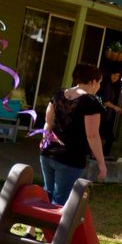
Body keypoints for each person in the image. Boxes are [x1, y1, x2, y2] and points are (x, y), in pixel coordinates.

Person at [40, 62, 107, 206]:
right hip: (71, 159)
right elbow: (92, 136)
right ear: (93, 82)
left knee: (46, 193)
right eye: (100, 82)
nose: (99, 86)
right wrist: (102, 164)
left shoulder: (58, 95)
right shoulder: (91, 102)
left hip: (48, 153)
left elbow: (48, 122)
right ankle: (52, 229)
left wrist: (44, 142)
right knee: (60, 201)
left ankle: (31, 228)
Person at [99, 70, 122, 156]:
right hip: (103, 116)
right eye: (114, 74)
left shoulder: (109, 86)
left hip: (104, 116)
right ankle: (103, 156)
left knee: (104, 136)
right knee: (109, 137)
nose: (115, 77)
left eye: (118, 76)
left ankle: (100, 155)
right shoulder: (107, 86)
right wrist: (115, 107)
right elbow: (105, 101)